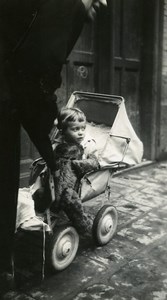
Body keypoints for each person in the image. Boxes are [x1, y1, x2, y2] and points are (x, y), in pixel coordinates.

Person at [0, 0, 107, 294]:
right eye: (76, 128)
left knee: (61, 197)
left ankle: (78, 228)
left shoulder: (85, 143)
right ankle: (68, 228)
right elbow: (36, 77)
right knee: (50, 193)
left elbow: (83, 159)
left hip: (66, 174)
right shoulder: (53, 15)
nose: (104, 3)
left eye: (82, 128)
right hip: (52, 165)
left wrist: (88, 159)